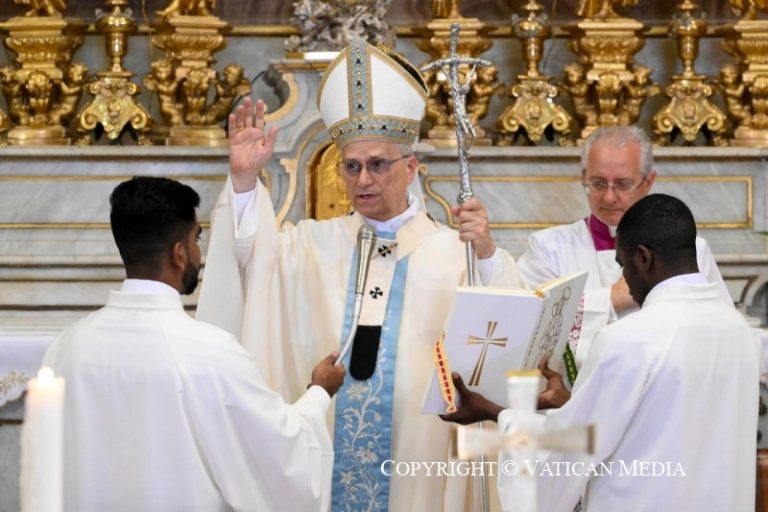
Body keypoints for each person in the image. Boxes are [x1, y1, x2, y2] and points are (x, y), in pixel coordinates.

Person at [197, 39, 523, 511]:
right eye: (351, 167)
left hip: (421, 459)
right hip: (328, 451)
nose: (363, 180)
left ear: (410, 167)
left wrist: (487, 252)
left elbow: (506, 327)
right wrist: (245, 181)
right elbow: (252, 261)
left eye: (377, 165)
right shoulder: (311, 245)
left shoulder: (457, 253)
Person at [43, 177, 345, 512]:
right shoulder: (211, 353)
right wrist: (320, 392)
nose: (199, 253)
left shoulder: (66, 347)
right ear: (179, 253)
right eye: (196, 239)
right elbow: (278, 455)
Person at [444, 194, 761, 511]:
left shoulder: (628, 340)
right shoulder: (742, 334)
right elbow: (662, 427)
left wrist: (495, 412)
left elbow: (570, 452)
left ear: (643, 258)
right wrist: (573, 404)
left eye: (622, 266)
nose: (625, 282)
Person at [516, 126, 731, 370]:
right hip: (573, 390)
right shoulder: (547, 248)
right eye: (598, 183)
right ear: (583, 177)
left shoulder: (689, 248)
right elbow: (529, 329)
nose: (609, 197)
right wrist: (611, 299)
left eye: (623, 184)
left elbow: (717, 328)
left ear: (648, 182)